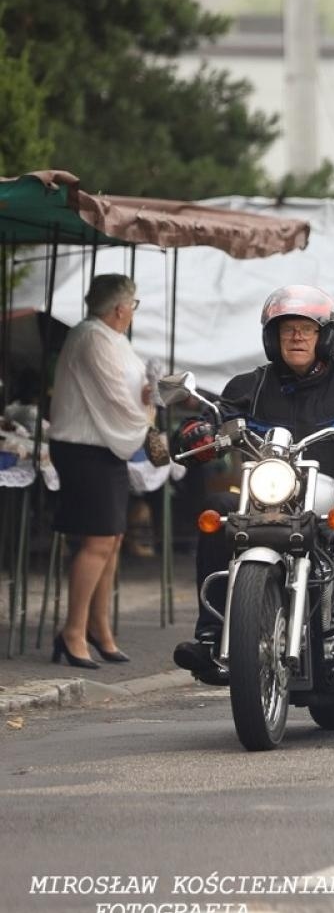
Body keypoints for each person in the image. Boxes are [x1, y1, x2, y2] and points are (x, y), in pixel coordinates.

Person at [171, 285, 334, 683]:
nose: (296, 337)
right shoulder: (251, 386)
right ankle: (211, 633)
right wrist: (198, 432)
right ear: (272, 337)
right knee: (217, 510)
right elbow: (217, 416)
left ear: (324, 336)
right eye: (287, 330)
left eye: (307, 329)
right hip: (269, 504)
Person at [46, 274, 148, 668]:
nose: (133, 311)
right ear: (121, 308)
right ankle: (73, 630)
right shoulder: (90, 336)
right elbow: (117, 397)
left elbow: (131, 393)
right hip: (83, 447)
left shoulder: (113, 339)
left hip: (104, 448)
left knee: (113, 539)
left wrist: (146, 399)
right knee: (98, 541)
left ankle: (98, 628)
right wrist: (147, 410)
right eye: (133, 304)